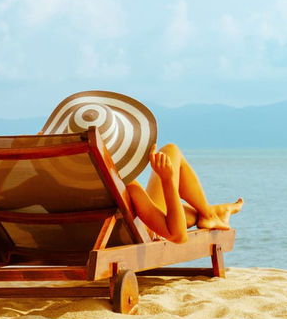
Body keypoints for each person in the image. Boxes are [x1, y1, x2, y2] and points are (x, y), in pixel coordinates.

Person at [40, 90, 243, 244]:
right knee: (171, 151)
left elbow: (10, 195)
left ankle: (211, 212)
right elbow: (178, 235)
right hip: (142, 231)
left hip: (86, 240)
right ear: (118, 143)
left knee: (185, 207)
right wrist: (167, 180)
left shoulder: (50, 180)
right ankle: (209, 213)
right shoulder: (125, 187)